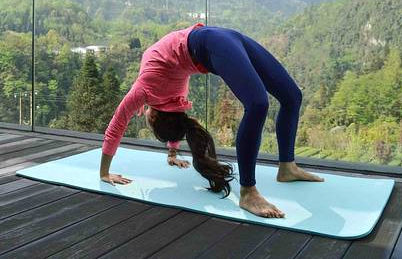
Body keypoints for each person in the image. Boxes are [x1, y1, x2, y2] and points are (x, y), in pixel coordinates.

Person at [99, 23, 324, 218]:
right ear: (156, 115)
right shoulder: (158, 95)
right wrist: (171, 153)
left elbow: (127, 123)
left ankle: (285, 169)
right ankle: (251, 190)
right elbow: (169, 120)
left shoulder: (146, 92)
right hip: (216, 40)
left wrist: (105, 172)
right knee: (266, 102)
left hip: (217, 40)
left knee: (288, 97)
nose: (145, 117)